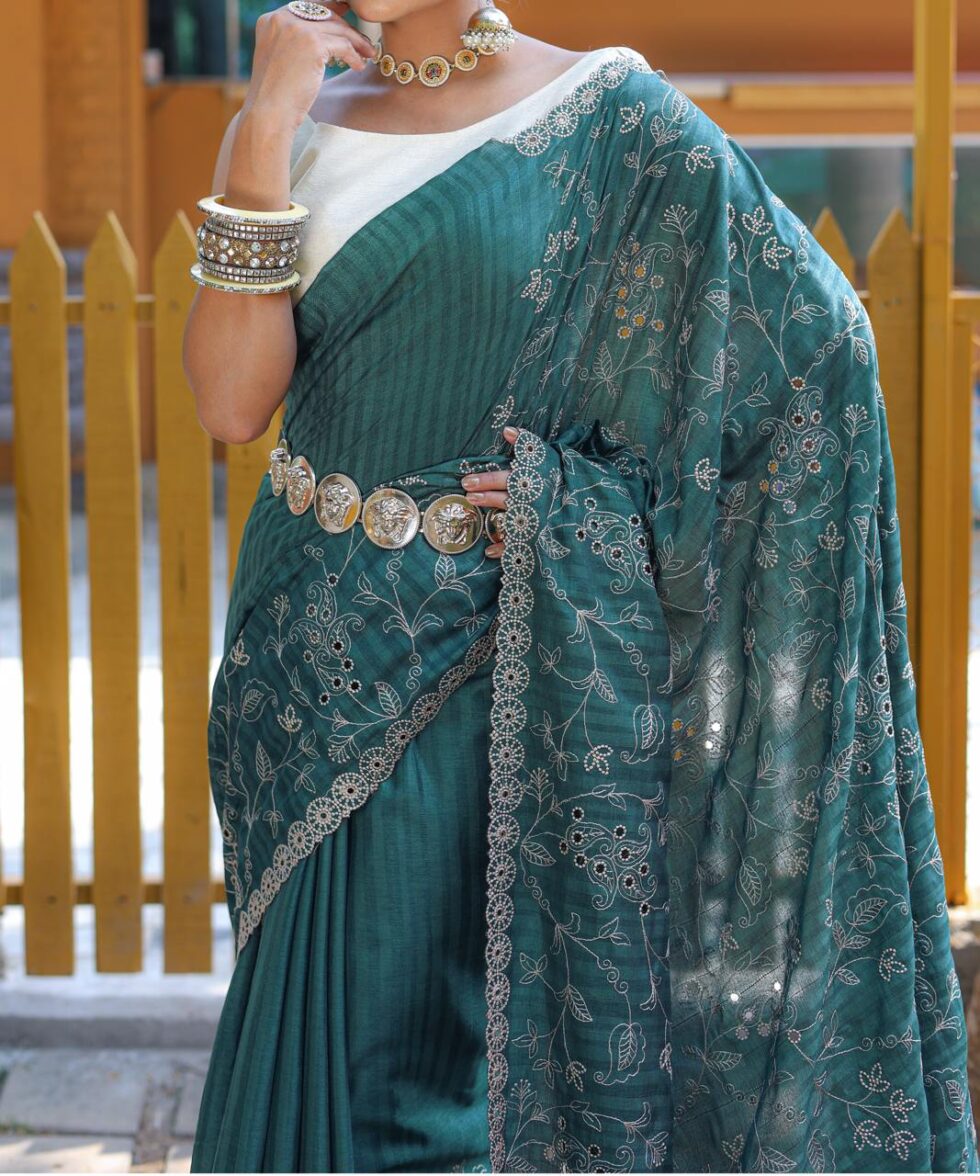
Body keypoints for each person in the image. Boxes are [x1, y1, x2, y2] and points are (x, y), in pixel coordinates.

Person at [183, 2, 980, 1171]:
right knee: (315, 1032)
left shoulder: (610, 115)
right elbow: (230, 403)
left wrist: (586, 512)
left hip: (477, 662)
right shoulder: (288, 116)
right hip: (293, 655)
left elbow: (813, 360)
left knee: (412, 1080)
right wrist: (262, 128)